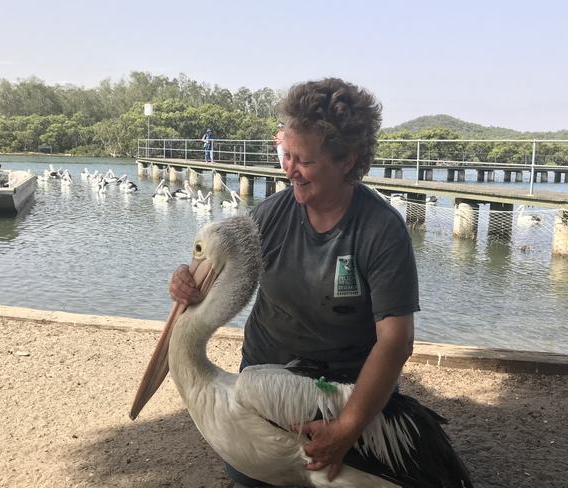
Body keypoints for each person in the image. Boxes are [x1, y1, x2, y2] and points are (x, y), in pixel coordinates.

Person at [169, 78, 419, 487]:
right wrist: (186, 284)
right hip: (266, 382)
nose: (290, 170)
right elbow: (216, 274)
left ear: (345, 160)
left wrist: (347, 427)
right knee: (255, 470)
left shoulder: (380, 231)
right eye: (286, 155)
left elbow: (396, 342)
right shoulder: (269, 217)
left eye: (303, 160)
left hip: (339, 391)